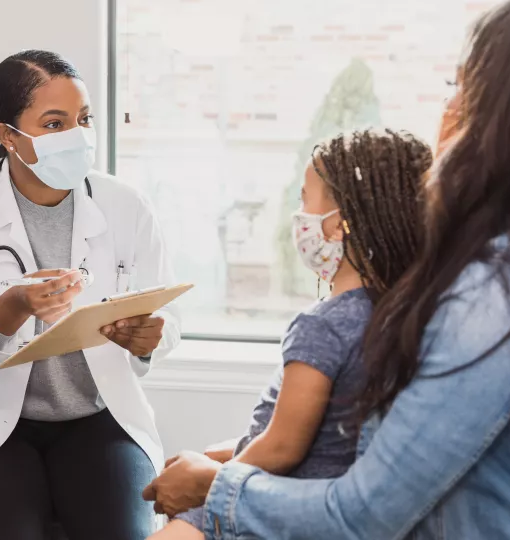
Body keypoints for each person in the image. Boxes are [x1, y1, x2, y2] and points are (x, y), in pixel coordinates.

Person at [144, 0, 510, 537]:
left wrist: (214, 488)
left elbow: (363, 514)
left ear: (504, 119)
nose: (445, 109)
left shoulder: (494, 302)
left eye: (458, 87)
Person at [0, 50, 181, 540]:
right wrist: (9, 310)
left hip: (97, 418)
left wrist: (148, 338)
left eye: (84, 119)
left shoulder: (125, 204)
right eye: (54, 123)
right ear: (7, 136)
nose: (77, 136)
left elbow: (167, 316)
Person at [144, 129, 432, 534]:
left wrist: (209, 483)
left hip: (272, 501)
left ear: (338, 227)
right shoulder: (400, 314)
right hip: (311, 488)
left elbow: (283, 447)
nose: (299, 217)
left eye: (305, 200)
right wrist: (224, 455)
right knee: (208, 453)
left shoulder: (323, 325)